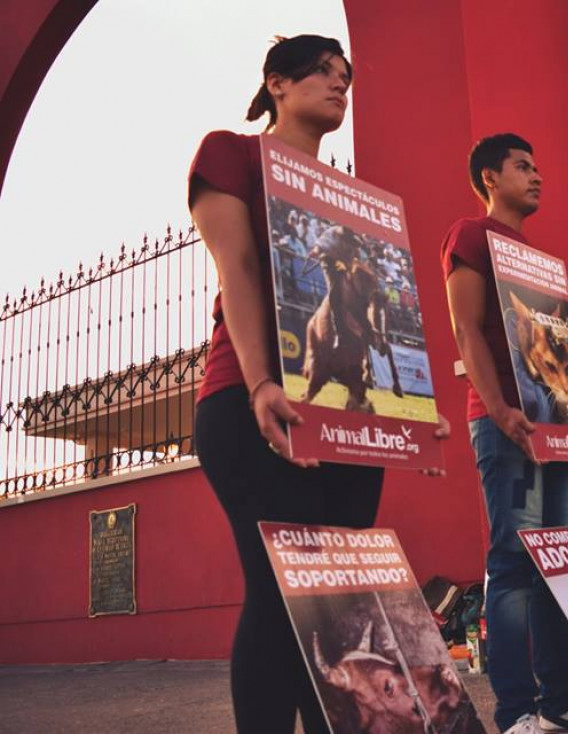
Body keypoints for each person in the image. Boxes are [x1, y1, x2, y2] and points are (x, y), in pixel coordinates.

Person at [188, 35, 449, 733]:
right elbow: (238, 269)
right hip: (252, 405)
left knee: (337, 603)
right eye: (324, 73)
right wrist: (260, 384)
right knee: (279, 597)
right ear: (277, 83)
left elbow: (380, 319)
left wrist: (410, 421)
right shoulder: (231, 154)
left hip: (344, 426)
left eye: (347, 76)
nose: (340, 84)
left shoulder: (353, 203)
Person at [442, 133, 568, 734]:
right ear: (490, 177)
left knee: (561, 565)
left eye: (538, 165)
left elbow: (557, 354)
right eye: (523, 166)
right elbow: (467, 330)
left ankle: (561, 704)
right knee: (514, 563)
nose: (537, 175)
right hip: (506, 427)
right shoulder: (471, 235)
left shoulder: (538, 262)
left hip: (557, 432)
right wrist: (498, 411)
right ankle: (517, 712)